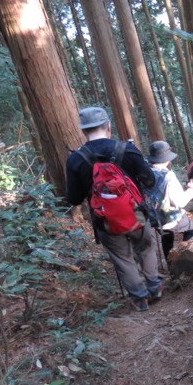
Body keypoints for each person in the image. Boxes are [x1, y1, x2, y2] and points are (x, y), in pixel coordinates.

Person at [65, 107, 162, 312]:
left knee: (122, 258)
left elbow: (73, 199)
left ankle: (139, 298)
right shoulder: (127, 149)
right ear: (108, 126)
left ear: (83, 131)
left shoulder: (75, 159)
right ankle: (155, 286)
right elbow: (150, 181)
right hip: (136, 213)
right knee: (146, 247)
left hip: (104, 219)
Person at [146, 140, 193, 260]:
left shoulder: (145, 173)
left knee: (166, 236)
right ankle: (186, 259)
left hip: (153, 217)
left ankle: (170, 262)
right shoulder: (168, 176)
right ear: (166, 158)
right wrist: (192, 190)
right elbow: (180, 202)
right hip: (170, 217)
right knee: (191, 229)